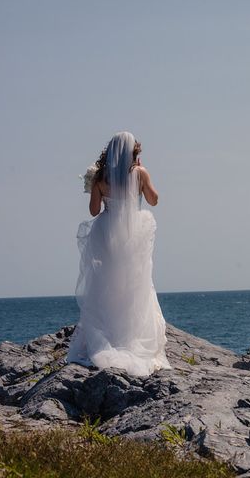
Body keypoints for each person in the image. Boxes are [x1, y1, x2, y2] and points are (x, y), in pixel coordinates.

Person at [67, 131, 171, 377]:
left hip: (106, 232)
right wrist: (141, 176)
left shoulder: (99, 177)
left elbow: (94, 211)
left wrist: (97, 189)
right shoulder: (139, 173)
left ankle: (109, 334)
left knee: (107, 283)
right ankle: (134, 335)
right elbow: (154, 200)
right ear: (132, 153)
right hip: (133, 231)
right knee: (136, 283)